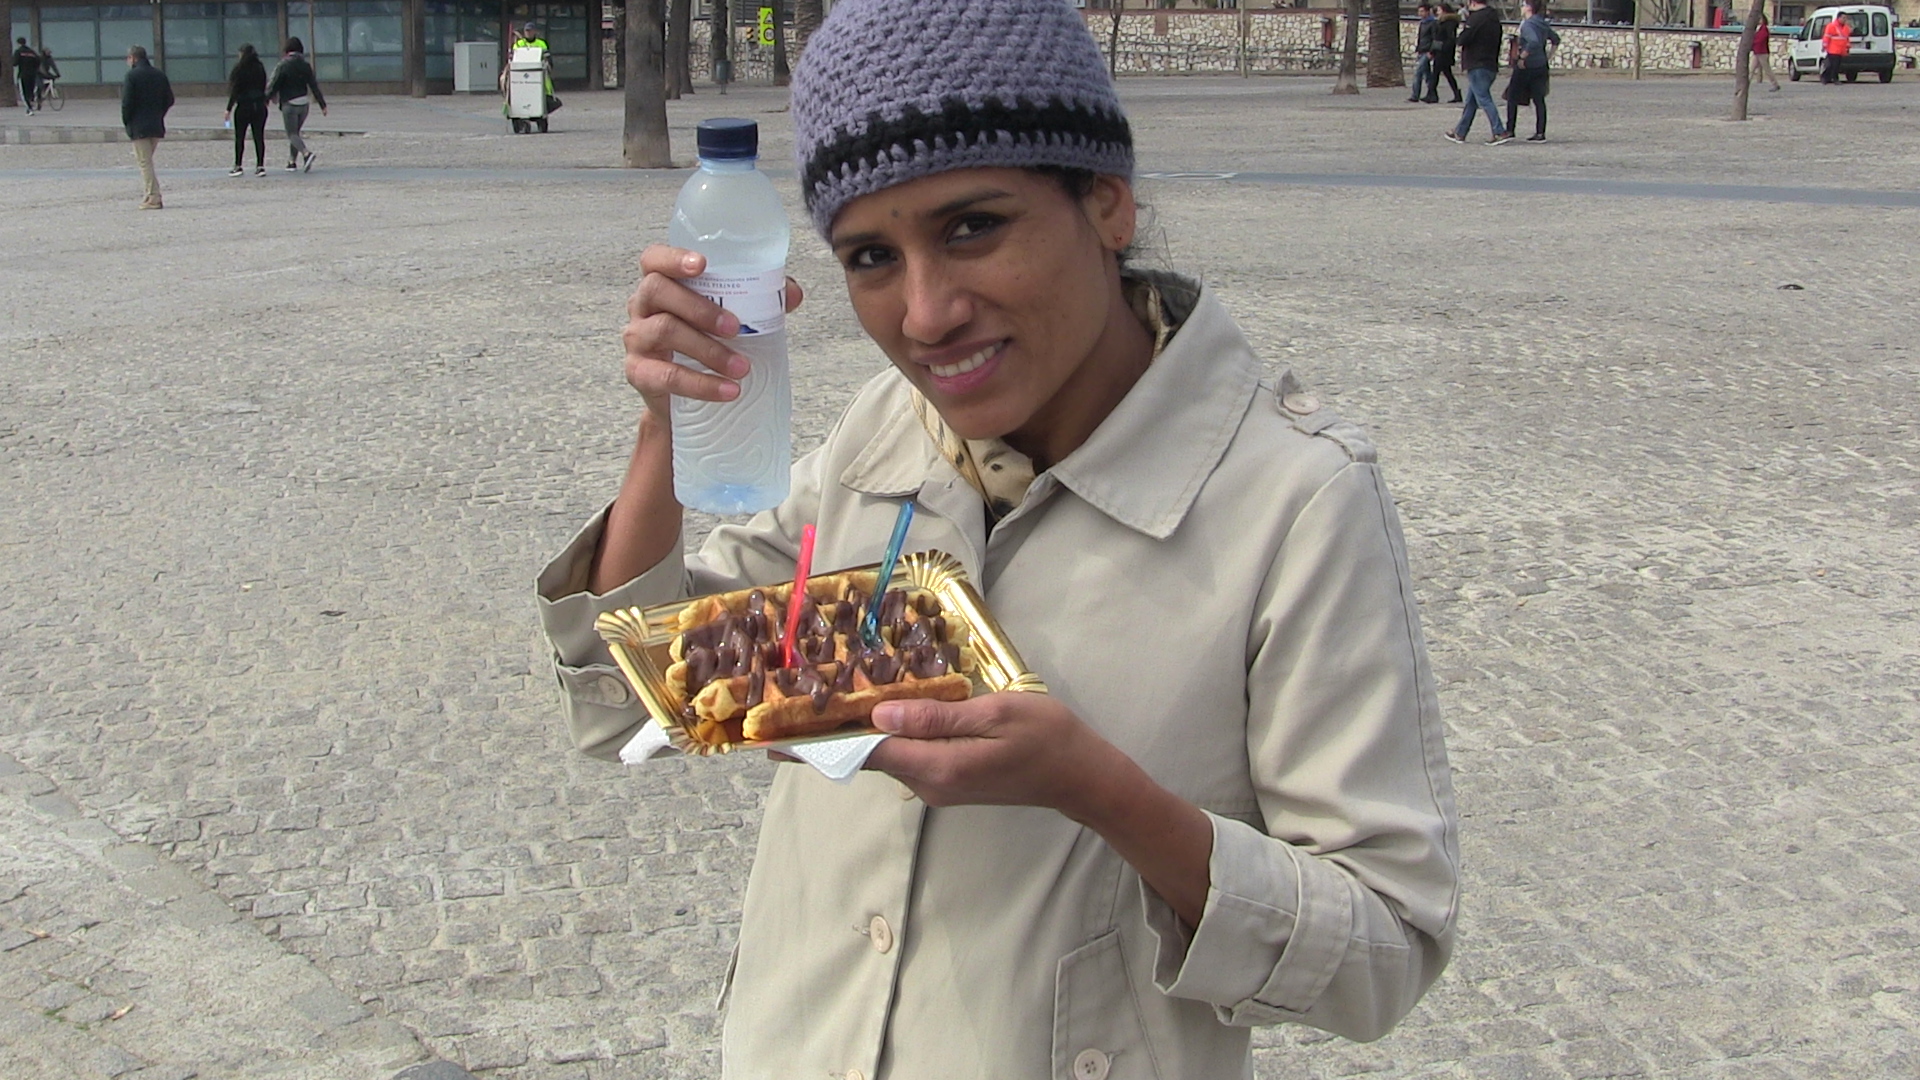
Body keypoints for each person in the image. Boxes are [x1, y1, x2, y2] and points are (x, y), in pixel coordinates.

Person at [537, 0, 1459, 1075]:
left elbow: (1384, 951)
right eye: (872, 256)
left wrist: (1102, 794)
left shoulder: (1292, 502)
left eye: (974, 227)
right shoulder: (884, 436)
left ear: (1107, 204)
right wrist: (668, 424)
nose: (926, 314)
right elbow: (629, 699)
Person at [1446, 0, 1510, 144]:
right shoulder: (1494, 18)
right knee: (1471, 100)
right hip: (1490, 63)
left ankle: (1499, 131)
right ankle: (1460, 132)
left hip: (1476, 63)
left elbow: (1463, 39)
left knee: (1484, 98)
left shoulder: (1475, 19)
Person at [120, 46, 173, 210]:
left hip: (138, 125)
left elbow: (127, 102)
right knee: (147, 161)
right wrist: (159, 113)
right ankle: (149, 194)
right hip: (156, 124)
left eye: (128, 58)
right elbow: (169, 99)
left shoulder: (131, 76)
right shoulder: (159, 74)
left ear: (133, 58)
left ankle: (154, 196)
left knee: (145, 163)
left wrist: (127, 121)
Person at [266, 37, 326, 172]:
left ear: (287, 50)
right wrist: (322, 104)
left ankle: (306, 153)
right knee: (296, 133)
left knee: (292, 134)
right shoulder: (305, 66)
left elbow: (274, 84)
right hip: (304, 104)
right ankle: (291, 162)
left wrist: (267, 98)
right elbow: (313, 85)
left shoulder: (283, 65)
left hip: (290, 103)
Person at [1502, 0, 1559, 142]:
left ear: (1528, 8)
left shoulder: (1527, 25)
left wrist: (1522, 57)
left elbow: (1533, 42)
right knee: (1539, 99)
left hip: (1527, 66)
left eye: (1523, 5)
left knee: (1512, 96)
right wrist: (1548, 57)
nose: (1521, 8)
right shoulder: (1542, 23)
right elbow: (1556, 39)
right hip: (1541, 65)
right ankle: (1540, 132)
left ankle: (1510, 129)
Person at [224, 43, 269, 177]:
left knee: (240, 137)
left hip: (244, 106)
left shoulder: (239, 69)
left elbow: (235, 90)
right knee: (259, 137)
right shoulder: (260, 67)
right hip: (259, 106)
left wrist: (228, 109)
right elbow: (263, 86)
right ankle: (260, 166)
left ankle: (238, 165)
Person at [1429, 3, 1463, 103]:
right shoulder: (1442, 22)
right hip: (1441, 51)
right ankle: (1456, 94)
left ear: (1444, 10)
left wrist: (1442, 48)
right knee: (1447, 73)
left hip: (1443, 52)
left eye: (1439, 10)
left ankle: (1432, 95)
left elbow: (1450, 38)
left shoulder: (1449, 23)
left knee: (1436, 73)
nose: (1437, 12)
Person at [1409, 4, 1437, 103]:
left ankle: (1415, 95)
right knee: (1427, 74)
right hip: (1422, 50)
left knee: (1418, 73)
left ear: (1427, 11)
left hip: (1427, 51)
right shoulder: (1423, 23)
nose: (1420, 14)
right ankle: (1432, 94)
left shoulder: (1433, 23)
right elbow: (1421, 38)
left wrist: (1431, 51)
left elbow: (1435, 38)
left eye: (1422, 11)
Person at [1748, 13, 1781, 92]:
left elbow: (1761, 39)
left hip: (1762, 52)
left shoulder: (1764, 29)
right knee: (1751, 69)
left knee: (1767, 69)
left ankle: (1775, 84)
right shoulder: (1758, 29)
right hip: (1757, 51)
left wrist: (1753, 42)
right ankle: (1745, 84)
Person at [1820, 11, 1851, 84]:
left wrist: (1848, 47)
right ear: (1838, 18)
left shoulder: (1846, 28)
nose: (1845, 20)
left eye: (1845, 18)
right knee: (1833, 65)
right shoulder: (1831, 26)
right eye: (1843, 18)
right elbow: (1826, 37)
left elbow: (1846, 39)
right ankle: (1834, 79)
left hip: (1841, 50)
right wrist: (1824, 46)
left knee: (1835, 66)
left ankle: (1826, 77)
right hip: (1833, 49)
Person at [12, 38, 39, 115]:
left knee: (24, 92)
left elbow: (15, 63)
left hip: (23, 74)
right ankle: (31, 103)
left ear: (18, 43)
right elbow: (38, 61)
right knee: (30, 90)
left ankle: (29, 109)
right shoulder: (32, 52)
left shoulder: (18, 52)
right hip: (32, 74)